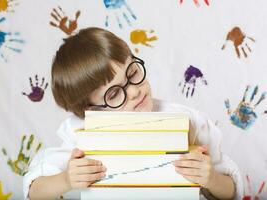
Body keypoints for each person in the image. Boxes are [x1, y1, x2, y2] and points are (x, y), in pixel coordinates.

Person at [23, 27, 243, 200]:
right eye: (115, 94)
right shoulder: (80, 133)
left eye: (133, 72)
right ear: (91, 110)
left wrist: (211, 178)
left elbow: (230, 189)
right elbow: (34, 189)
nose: (135, 91)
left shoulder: (187, 121)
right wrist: (66, 179)